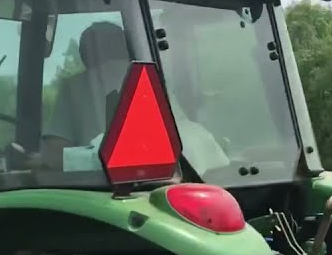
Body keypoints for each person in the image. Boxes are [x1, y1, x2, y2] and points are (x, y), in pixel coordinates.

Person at [43, 20, 230, 175]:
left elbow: (54, 155)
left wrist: (34, 161)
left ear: (85, 57)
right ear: (127, 48)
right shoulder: (156, 79)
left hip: (108, 191)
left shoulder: (76, 86)